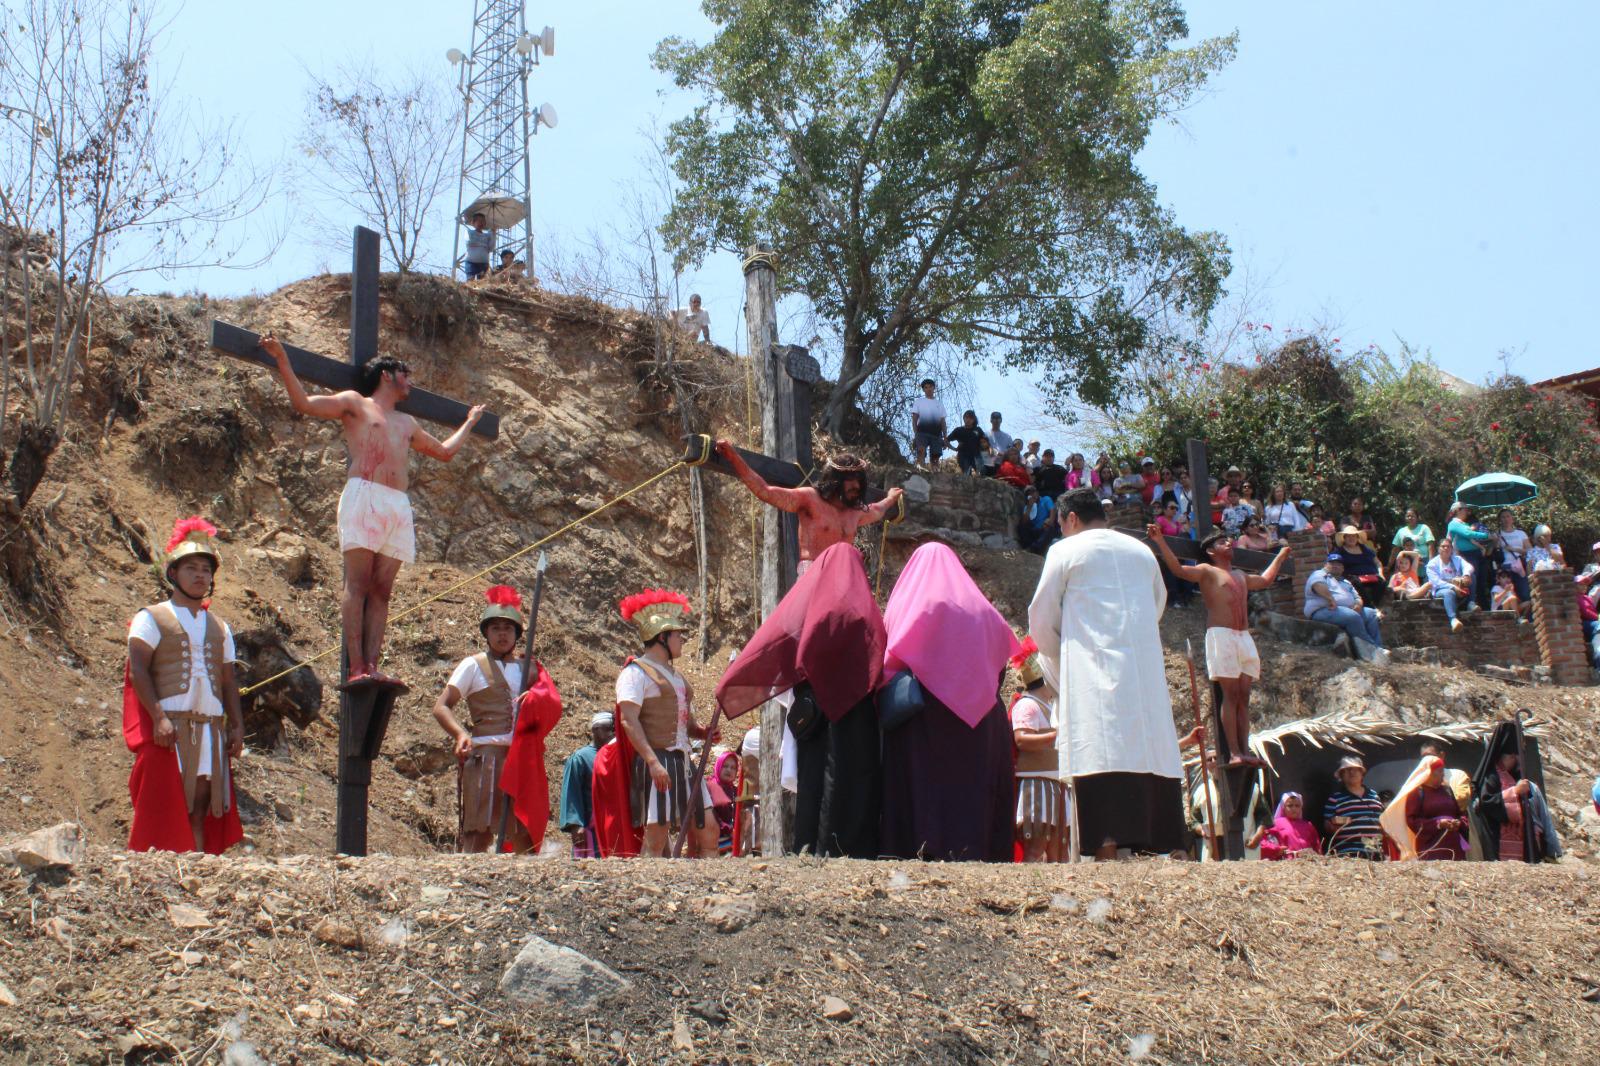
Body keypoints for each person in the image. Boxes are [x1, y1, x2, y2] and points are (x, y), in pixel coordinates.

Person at [260, 335, 487, 686]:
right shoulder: (355, 403)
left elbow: (443, 451)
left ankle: (373, 663)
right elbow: (303, 403)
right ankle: (356, 666)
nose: (410, 382)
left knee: (382, 590)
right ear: (386, 374)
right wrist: (282, 359)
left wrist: (470, 422)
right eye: (405, 374)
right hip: (364, 495)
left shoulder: (406, 422)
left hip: (397, 503)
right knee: (358, 584)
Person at [1030, 489, 1187, 859]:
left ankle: (1107, 845)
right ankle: (1170, 848)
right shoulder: (1141, 551)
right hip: (1142, 665)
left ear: (1070, 520)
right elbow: (1157, 604)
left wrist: (1061, 654)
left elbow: (1042, 616)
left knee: (1100, 746)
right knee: (1150, 745)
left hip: (1091, 665)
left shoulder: (1065, 550)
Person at [717, 543, 886, 858]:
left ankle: (809, 848)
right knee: (853, 779)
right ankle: (851, 849)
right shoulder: (865, 610)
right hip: (856, 712)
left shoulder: (815, 611)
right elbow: (878, 654)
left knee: (814, 783)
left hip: (818, 713)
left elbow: (793, 650)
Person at [878, 543, 1018, 862]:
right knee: (973, 792)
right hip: (981, 720)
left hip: (923, 715)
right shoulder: (983, 608)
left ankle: (919, 850)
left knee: (926, 789)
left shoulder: (915, 603)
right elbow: (1000, 668)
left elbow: (891, 660)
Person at [123, 517, 244, 855]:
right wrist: (158, 718)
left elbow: (228, 682)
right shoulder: (152, 617)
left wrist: (237, 726)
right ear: (173, 573)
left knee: (200, 806)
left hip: (208, 728)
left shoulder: (220, 627)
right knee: (164, 804)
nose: (200, 575)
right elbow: (138, 671)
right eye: (191, 567)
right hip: (170, 726)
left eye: (206, 569)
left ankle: (199, 874)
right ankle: (157, 875)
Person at [1148, 527, 1291, 767]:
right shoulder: (1207, 571)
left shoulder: (1240, 575)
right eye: (1223, 541)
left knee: (1244, 696)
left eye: (1228, 540)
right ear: (1211, 551)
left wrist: (1280, 557)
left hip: (1243, 636)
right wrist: (1160, 541)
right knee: (1231, 694)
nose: (1229, 543)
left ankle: (1245, 750)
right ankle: (1234, 751)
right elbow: (1178, 570)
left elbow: (1266, 579)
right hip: (1221, 635)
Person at [431, 586, 553, 853]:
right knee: (479, 832)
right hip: (485, 756)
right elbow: (442, 706)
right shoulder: (472, 665)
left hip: (521, 760)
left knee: (523, 833)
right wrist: (461, 735)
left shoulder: (529, 668)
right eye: (496, 627)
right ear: (486, 632)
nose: (502, 633)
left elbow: (551, 704)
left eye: (508, 628)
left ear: (517, 634)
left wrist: (535, 700)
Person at [610, 589, 720, 858]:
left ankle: (711, 888)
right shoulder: (635, 673)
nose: (682, 639)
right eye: (677, 634)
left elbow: (687, 724)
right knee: (657, 838)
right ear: (661, 637)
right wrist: (652, 762)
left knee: (709, 829)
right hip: (657, 760)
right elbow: (628, 719)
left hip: (683, 762)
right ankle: (649, 892)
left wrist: (702, 732)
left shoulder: (677, 676)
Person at [716, 442, 905, 576]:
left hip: (842, 580)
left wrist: (890, 498)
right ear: (835, 481)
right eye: (850, 482)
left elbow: (878, 510)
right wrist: (734, 458)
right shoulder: (809, 499)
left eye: (859, 483)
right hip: (811, 577)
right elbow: (765, 491)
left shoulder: (854, 513)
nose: (855, 487)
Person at [1008, 638, 1067, 863]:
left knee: (1058, 852)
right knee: (1036, 848)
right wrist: (1059, 734)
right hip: (1036, 785)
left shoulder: (1051, 707)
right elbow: (1022, 739)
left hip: (1054, 784)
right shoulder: (1028, 704)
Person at [1474, 722, 1562, 863]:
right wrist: (1515, 791)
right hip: (1498, 843)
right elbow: (1487, 803)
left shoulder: (1516, 776)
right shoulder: (1492, 777)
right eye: (1517, 757)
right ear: (1510, 757)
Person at [1382, 755, 1468, 860]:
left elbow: (1460, 814)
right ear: (1429, 773)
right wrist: (1438, 824)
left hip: (1454, 847)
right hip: (1431, 848)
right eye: (1440, 771)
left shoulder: (1447, 791)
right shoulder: (1417, 793)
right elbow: (1412, 821)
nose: (1443, 774)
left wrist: (1459, 823)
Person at [559, 713, 614, 858]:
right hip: (590, 827)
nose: (612, 734)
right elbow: (571, 792)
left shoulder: (616, 755)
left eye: (614, 729)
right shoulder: (580, 758)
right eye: (608, 729)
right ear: (596, 730)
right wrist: (576, 825)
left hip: (610, 825)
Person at [1304, 553, 1384, 651]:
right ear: (1325, 565)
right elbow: (1317, 584)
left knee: (1371, 614)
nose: (1335, 566)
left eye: (1339, 564)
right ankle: (1371, 651)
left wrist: (1358, 604)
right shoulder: (1320, 574)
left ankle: (1379, 647)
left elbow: (1357, 597)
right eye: (1332, 563)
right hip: (1323, 610)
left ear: (1343, 568)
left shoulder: (1346, 582)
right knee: (1352, 616)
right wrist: (1330, 599)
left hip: (1345, 610)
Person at [1322, 756, 1385, 859]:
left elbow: (1383, 820)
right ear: (1341, 775)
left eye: (1356, 769)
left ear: (1362, 773)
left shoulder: (1374, 796)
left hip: (1376, 853)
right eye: (1347, 770)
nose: (1352, 772)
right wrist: (1333, 827)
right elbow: (1327, 824)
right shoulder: (1335, 799)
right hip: (1348, 854)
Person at [1447, 503, 1495, 610]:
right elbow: (1468, 534)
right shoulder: (1454, 524)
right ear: (1458, 510)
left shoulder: (1464, 524)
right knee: (1471, 578)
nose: (1467, 511)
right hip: (1466, 555)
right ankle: (1470, 603)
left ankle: (1483, 606)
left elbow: (1471, 539)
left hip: (1476, 554)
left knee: (1481, 581)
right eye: (1465, 509)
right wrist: (1487, 535)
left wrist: (1482, 548)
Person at [1248, 792, 1320, 860]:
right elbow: (1261, 840)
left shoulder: (1308, 825)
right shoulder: (1275, 824)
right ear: (1283, 807)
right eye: (1290, 806)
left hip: (1307, 863)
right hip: (1286, 862)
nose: (1294, 808)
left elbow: (1317, 846)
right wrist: (1276, 849)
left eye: (1297, 806)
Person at [1425, 538, 1475, 632]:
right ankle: (1453, 620)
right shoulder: (1432, 564)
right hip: (1440, 589)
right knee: (1449, 593)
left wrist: (1466, 575)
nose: (1446, 548)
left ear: (1452, 549)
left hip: (1459, 586)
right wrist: (1452, 586)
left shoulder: (1457, 559)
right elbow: (1436, 582)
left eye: (1448, 546)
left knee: (1472, 577)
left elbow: (1469, 566)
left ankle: (1471, 603)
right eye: (1443, 546)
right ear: (1438, 549)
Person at [1330, 526, 1386, 607]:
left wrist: (1381, 574)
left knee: (1381, 582)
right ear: (1344, 538)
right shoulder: (1339, 551)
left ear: (1357, 537)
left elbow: (1378, 563)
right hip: (1352, 577)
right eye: (1348, 536)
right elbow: (1333, 564)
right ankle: (1368, 606)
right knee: (1356, 582)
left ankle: (1375, 604)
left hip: (1371, 576)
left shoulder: (1366, 549)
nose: (1351, 538)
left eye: (1354, 536)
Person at [1495, 508, 1532, 604]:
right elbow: (1491, 553)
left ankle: (1525, 617)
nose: (1506, 519)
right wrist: (1496, 543)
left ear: (1512, 518)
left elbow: (1530, 551)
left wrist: (1514, 549)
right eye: (1503, 517)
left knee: (1524, 593)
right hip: (1504, 568)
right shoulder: (1497, 534)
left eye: (1508, 516)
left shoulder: (1521, 534)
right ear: (1500, 520)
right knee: (1508, 595)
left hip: (1519, 566)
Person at [910, 379, 947, 468]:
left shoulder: (939, 404)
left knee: (935, 457)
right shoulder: (919, 401)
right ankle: (920, 470)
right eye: (926, 387)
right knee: (921, 451)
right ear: (923, 390)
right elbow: (914, 419)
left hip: (936, 434)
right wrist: (916, 434)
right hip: (922, 432)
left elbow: (943, 421)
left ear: (934, 388)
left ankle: (935, 475)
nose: (928, 389)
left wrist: (945, 437)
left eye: (930, 387)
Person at [709, 750, 739, 854]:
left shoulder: (736, 791)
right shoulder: (710, 787)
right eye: (725, 766)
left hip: (732, 838)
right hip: (713, 837)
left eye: (733, 768)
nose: (729, 770)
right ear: (718, 766)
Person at [945, 409, 991, 477]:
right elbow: (946, 440)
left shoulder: (978, 430)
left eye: (971, 418)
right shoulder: (959, 430)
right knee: (967, 474)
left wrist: (985, 449)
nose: (968, 419)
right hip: (963, 456)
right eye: (966, 417)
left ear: (974, 419)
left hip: (976, 455)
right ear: (963, 418)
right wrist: (954, 448)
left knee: (983, 473)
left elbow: (986, 442)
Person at [1018, 486, 1057, 552]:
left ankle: (1034, 548)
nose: (1032, 495)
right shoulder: (1027, 507)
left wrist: (1050, 520)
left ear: (1037, 493)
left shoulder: (1046, 499)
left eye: (1033, 493)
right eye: (1029, 494)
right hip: (1034, 531)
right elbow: (1024, 522)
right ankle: (1028, 546)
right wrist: (1029, 507)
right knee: (1021, 526)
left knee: (1050, 528)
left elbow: (1052, 511)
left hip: (1044, 528)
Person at [462, 211, 493, 280]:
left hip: (484, 263)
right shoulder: (469, 232)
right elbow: (469, 242)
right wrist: (482, 245)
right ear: (473, 223)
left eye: (482, 221)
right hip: (471, 261)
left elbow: (491, 248)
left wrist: (493, 235)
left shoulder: (487, 235)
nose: (481, 223)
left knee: (482, 283)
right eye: (478, 221)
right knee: (470, 280)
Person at [984, 412, 1015, 477]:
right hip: (988, 464)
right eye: (994, 418)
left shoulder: (1007, 437)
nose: (996, 420)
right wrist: (996, 453)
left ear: (1001, 420)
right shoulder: (985, 435)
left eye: (998, 418)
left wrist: (1005, 454)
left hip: (1002, 465)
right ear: (991, 420)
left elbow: (1011, 451)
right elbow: (983, 447)